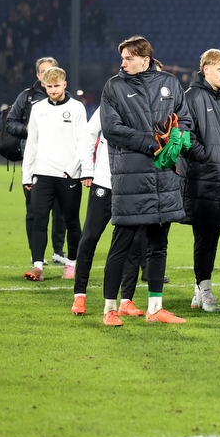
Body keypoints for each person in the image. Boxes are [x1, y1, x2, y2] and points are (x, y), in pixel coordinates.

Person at [100, 36, 193, 326]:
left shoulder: (170, 83)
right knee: (122, 245)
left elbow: (185, 119)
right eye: (122, 58)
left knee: (158, 245)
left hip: (164, 177)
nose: (123, 63)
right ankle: (109, 309)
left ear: (145, 59)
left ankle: (155, 308)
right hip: (131, 177)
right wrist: (151, 143)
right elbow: (111, 128)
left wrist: (177, 140)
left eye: (128, 58)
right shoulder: (114, 86)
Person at [182, 49, 220, 314]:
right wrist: (207, 159)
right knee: (204, 237)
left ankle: (200, 292)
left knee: (210, 237)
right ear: (205, 68)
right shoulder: (193, 96)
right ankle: (205, 292)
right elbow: (184, 135)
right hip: (203, 179)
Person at [70, 107, 145, 317]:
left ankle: (126, 299)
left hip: (132, 185)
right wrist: (87, 169)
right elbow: (89, 134)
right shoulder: (109, 103)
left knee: (133, 243)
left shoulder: (145, 103)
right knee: (90, 237)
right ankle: (79, 294)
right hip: (104, 181)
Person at [21, 67, 90, 282]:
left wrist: (79, 170)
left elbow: (83, 142)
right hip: (42, 173)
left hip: (69, 175)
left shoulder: (77, 108)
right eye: (49, 86)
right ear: (44, 85)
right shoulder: (38, 109)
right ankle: (37, 266)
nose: (53, 90)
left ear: (64, 84)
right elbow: (32, 143)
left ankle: (71, 264)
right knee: (39, 220)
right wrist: (27, 174)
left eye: (56, 86)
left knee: (72, 222)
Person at [5, 56, 67, 265]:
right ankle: (36, 253)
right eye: (43, 72)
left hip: (60, 163)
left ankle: (58, 251)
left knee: (61, 210)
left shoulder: (66, 99)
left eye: (51, 70)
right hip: (35, 163)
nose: (48, 75)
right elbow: (10, 124)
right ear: (38, 75)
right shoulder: (27, 97)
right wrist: (26, 129)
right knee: (34, 211)